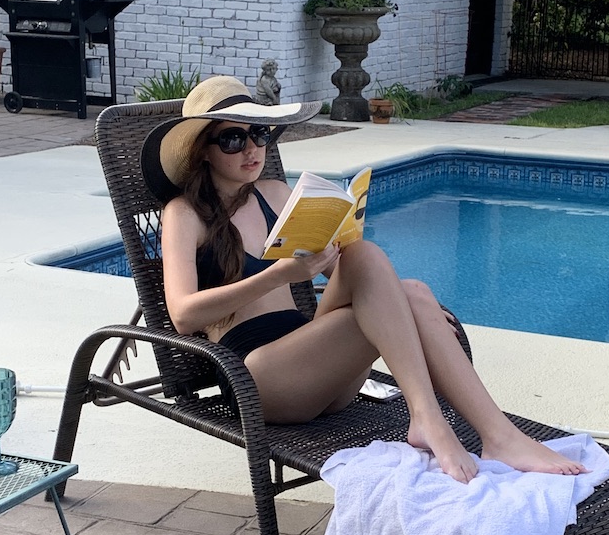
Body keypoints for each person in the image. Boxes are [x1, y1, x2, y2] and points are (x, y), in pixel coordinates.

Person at [141, 75, 586, 483]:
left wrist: (408, 305)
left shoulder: (275, 194)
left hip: (321, 365)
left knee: (389, 274)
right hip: (258, 378)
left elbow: (352, 274)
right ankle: (439, 421)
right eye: (233, 139)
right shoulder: (185, 214)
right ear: (202, 149)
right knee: (411, 298)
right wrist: (278, 276)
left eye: (259, 134)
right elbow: (182, 316)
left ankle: (492, 434)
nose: (251, 149)